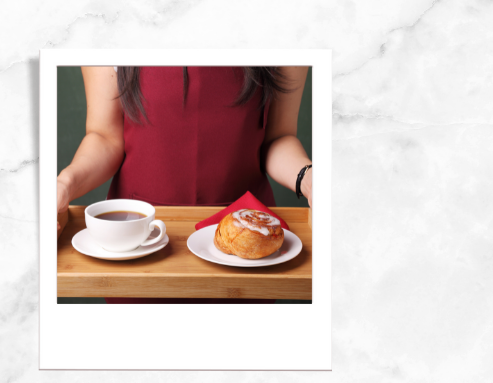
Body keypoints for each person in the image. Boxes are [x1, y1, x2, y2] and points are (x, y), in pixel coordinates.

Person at [57, 66, 312, 304]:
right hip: (136, 240)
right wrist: (63, 185)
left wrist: (310, 179)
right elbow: (105, 137)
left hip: (249, 242)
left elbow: (279, 137)